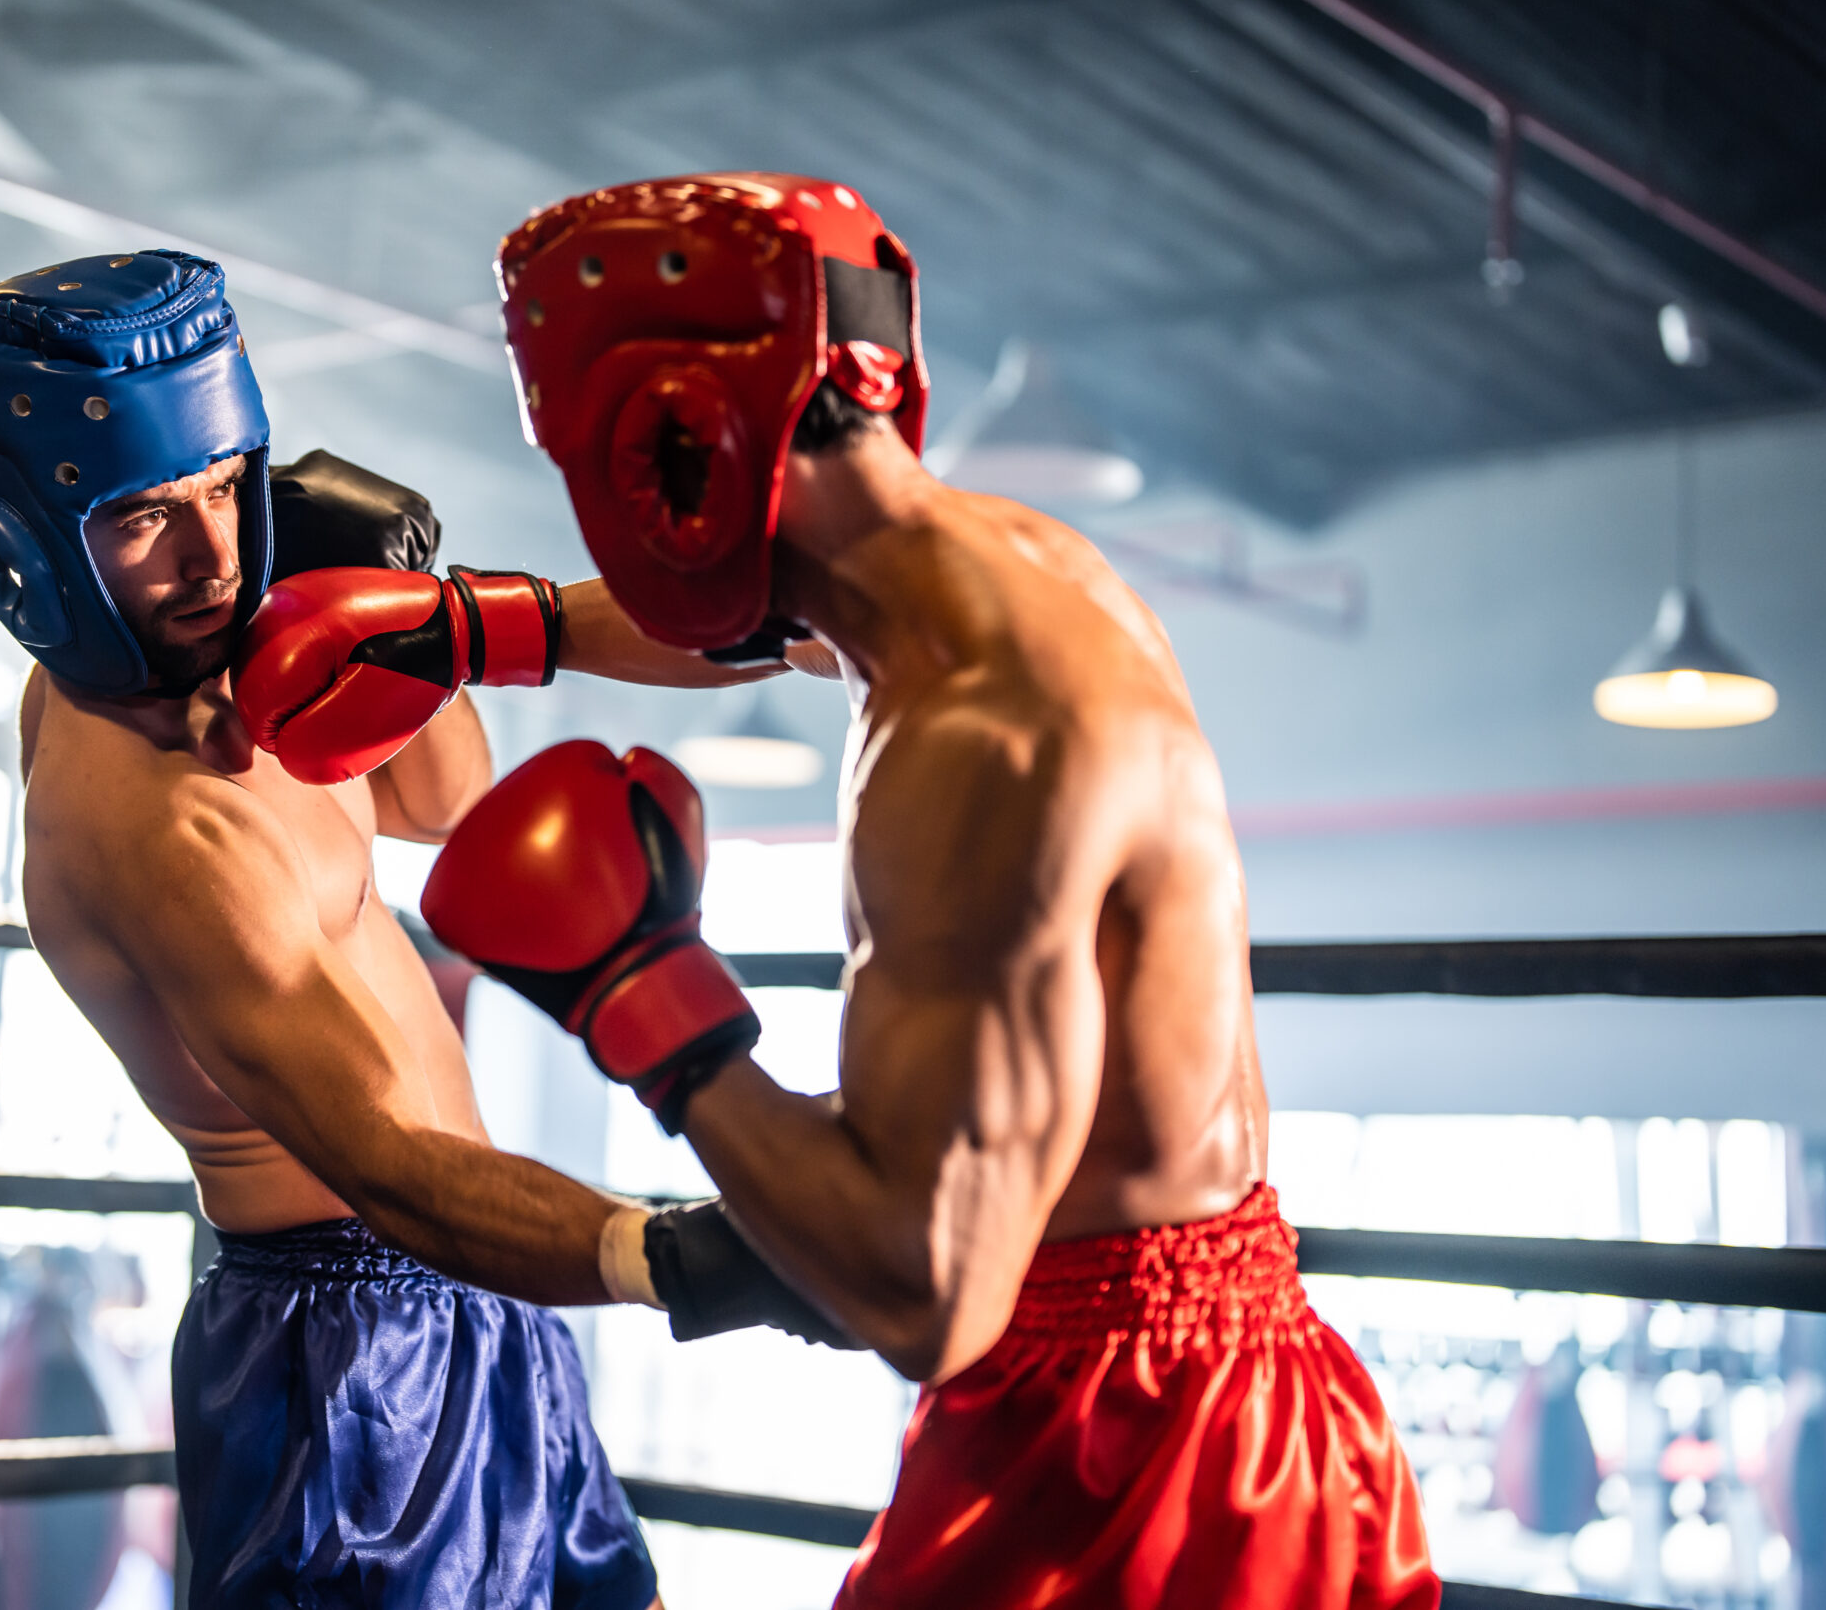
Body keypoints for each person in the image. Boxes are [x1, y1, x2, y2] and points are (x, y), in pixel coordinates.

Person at [407, 175, 1444, 1608]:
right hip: (1246, 1401)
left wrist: (644, 1003)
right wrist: (489, 628)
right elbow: (763, 626)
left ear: (671, 445)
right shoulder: (1010, 569)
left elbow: (924, 1293)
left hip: (1107, 1448)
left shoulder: (977, 744)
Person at [0, 248, 851, 1610]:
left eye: (229, 489)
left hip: (483, 1287)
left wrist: (788, 621)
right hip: (349, 1346)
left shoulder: (206, 631)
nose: (213, 555)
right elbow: (391, 1170)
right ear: (25, 547)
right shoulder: (160, 833)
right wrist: (697, 1253)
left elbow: (437, 797)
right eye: (146, 515)